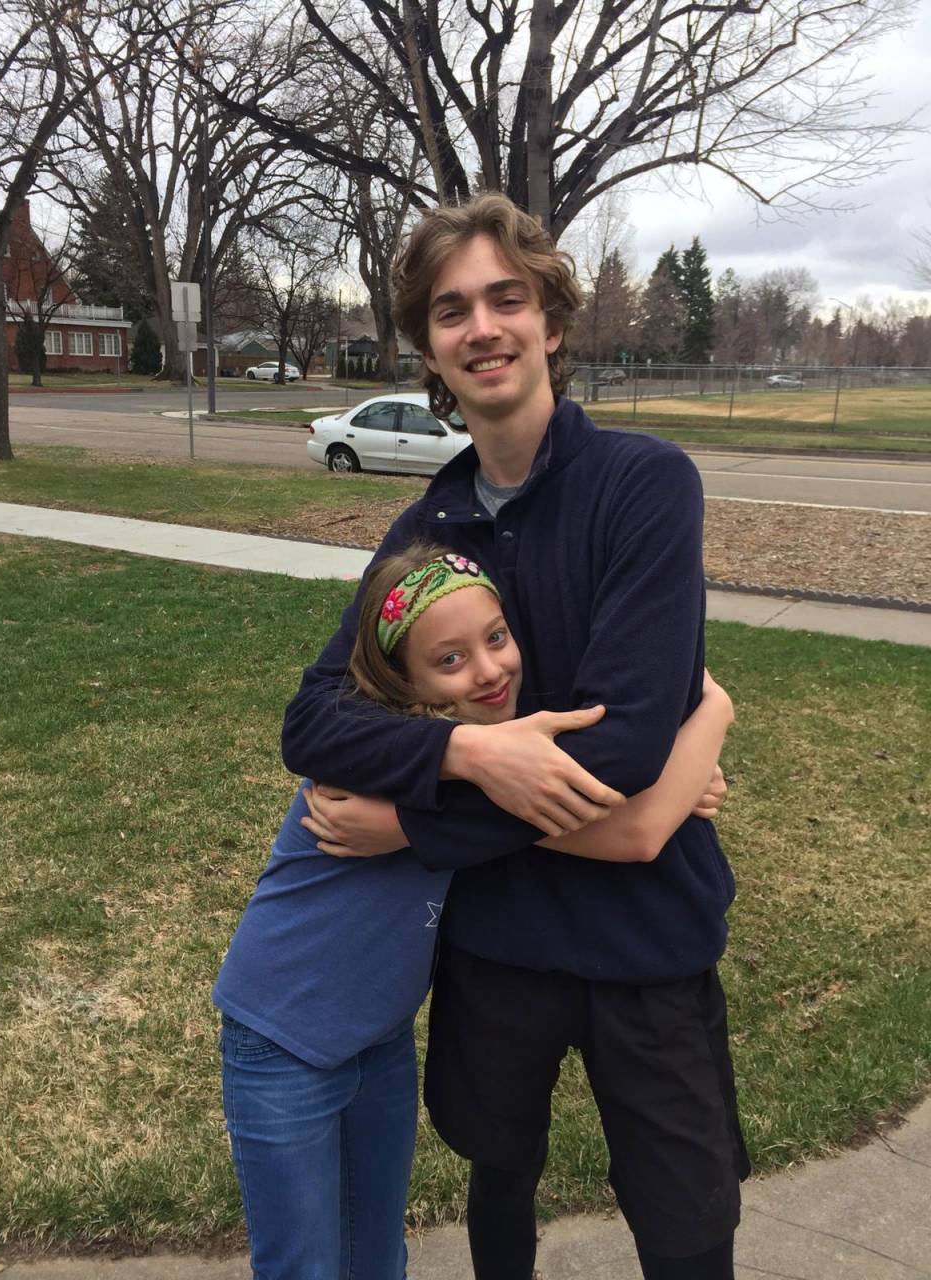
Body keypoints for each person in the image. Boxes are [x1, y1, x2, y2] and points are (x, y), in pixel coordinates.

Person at [283, 192, 750, 1280]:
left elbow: (626, 755)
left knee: (688, 1224)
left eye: (506, 297)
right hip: (499, 945)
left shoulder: (643, 484)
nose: (482, 326)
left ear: (552, 320)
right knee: (499, 1180)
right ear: (430, 349)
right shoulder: (426, 525)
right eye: (451, 310)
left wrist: (409, 826)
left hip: (651, 936)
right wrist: (465, 750)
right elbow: (314, 716)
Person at [216, 541, 734, 1280]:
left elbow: (589, 804)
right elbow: (617, 828)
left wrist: (686, 778)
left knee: (375, 1256)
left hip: (377, 1040)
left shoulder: (494, 755)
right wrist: (706, 727)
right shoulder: (395, 761)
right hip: (281, 1039)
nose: (488, 670)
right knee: (303, 1265)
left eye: (496, 638)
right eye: (449, 661)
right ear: (405, 684)